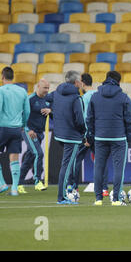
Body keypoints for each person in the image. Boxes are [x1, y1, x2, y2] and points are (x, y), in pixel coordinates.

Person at [86, 71, 131, 206]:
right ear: (119, 82)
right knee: (119, 168)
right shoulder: (124, 97)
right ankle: (116, 199)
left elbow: (89, 119)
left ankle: (98, 199)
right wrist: (129, 136)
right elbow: (129, 119)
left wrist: (91, 135)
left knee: (99, 167)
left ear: (105, 79)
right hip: (118, 137)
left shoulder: (95, 96)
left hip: (100, 137)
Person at [0, 67, 30, 196]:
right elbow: (27, 110)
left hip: (3, 127)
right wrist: (23, 124)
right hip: (17, 129)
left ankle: (1, 183)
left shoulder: (1, 90)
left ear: (2, 77)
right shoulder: (22, 91)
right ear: (13, 77)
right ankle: (14, 189)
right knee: (14, 158)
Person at [47, 70, 86, 204]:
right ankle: (61, 197)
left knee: (66, 165)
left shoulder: (57, 92)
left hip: (60, 134)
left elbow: (45, 99)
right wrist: (84, 133)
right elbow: (80, 120)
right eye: (81, 80)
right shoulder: (76, 98)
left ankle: (65, 192)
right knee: (67, 166)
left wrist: (52, 112)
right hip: (72, 136)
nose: (82, 83)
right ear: (76, 82)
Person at [66, 73, 103, 194]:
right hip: (99, 133)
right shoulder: (99, 95)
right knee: (100, 160)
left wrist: (85, 134)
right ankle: (104, 188)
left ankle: (74, 186)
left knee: (77, 159)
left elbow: (82, 117)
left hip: (86, 134)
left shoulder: (83, 98)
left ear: (82, 83)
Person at [17, 78, 52, 193]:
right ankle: (37, 181)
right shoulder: (30, 99)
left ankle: (18, 183)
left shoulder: (48, 100)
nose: (46, 90)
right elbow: (21, 115)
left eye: (48, 88)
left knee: (29, 157)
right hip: (29, 132)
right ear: (38, 87)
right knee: (38, 153)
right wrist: (28, 129)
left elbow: (53, 114)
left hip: (39, 133)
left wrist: (50, 111)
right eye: (44, 88)